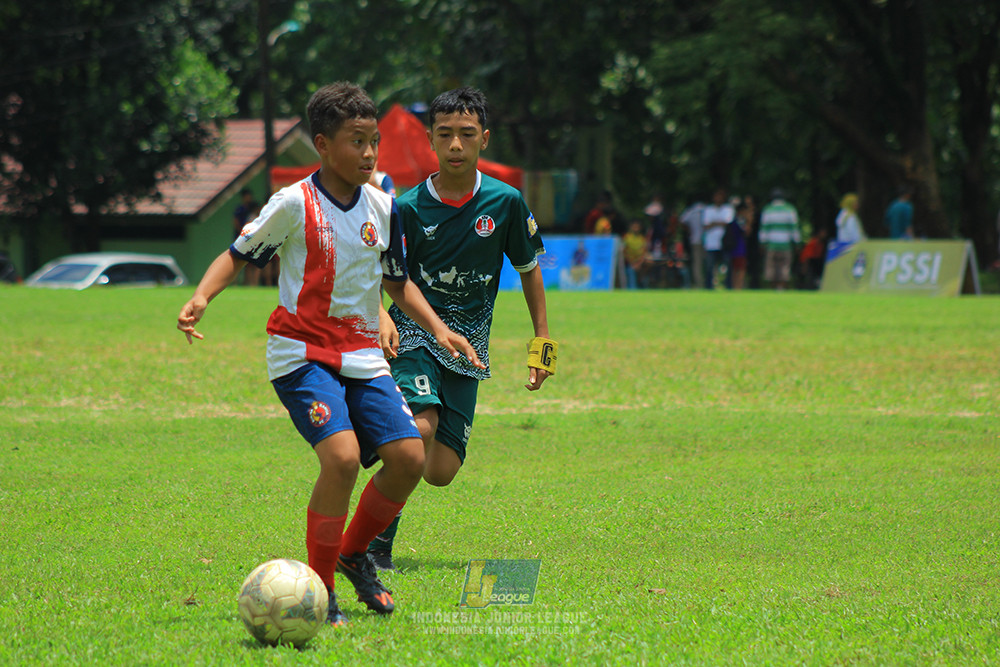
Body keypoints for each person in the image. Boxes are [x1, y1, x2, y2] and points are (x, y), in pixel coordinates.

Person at [176, 82, 483, 626]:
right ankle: (320, 590)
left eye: (374, 142)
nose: (369, 154)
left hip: (362, 354)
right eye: (356, 142)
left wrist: (439, 330)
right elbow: (237, 254)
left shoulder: (385, 209)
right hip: (302, 355)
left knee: (410, 457)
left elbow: (396, 283)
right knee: (341, 459)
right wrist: (201, 296)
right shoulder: (294, 203)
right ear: (322, 144)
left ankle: (352, 554)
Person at [368, 86, 555, 571]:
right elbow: (384, 273)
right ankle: (374, 543)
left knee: (441, 471)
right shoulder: (406, 209)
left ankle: (387, 443)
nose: (455, 145)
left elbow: (529, 268)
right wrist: (384, 314)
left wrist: (542, 343)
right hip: (414, 334)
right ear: (430, 138)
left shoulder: (506, 202)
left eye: (466, 135)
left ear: (484, 139)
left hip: (468, 346)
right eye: (445, 134)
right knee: (420, 428)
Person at [759, 188, 801, 290]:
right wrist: (797, 243)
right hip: (786, 244)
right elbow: (794, 228)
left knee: (771, 268)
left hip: (771, 245)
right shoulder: (790, 209)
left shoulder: (768, 210)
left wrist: (762, 243)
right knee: (784, 267)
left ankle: (773, 288)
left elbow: (764, 229)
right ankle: (781, 288)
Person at [702, 187, 734, 289]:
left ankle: (728, 286)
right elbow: (706, 226)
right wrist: (719, 223)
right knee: (709, 267)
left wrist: (713, 223)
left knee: (727, 265)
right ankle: (708, 287)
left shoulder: (728, 209)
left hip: (725, 243)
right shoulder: (708, 209)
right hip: (711, 243)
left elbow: (728, 223)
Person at [679, 199, 705, 289]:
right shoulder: (707, 209)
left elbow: (682, 221)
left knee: (697, 263)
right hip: (708, 242)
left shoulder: (691, 211)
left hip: (695, 240)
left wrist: (689, 230)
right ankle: (707, 282)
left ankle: (699, 284)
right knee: (706, 263)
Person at [725, 200, 751, 290]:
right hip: (739, 249)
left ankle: (735, 286)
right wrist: (749, 220)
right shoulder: (740, 221)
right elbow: (747, 231)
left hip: (733, 248)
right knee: (740, 269)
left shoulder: (733, 221)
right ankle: (738, 287)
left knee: (734, 269)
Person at [622, 218, 648, 289]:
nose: (636, 229)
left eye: (637, 227)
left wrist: (639, 263)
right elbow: (624, 252)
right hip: (629, 263)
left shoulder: (642, 239)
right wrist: (632, 264)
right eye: (634, 227)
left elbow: (644, 252)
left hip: (640, 263)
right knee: (631, 271)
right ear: (631, 227)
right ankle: (632, 289)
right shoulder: (627, 238)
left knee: (647, 265)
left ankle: (645, 287)